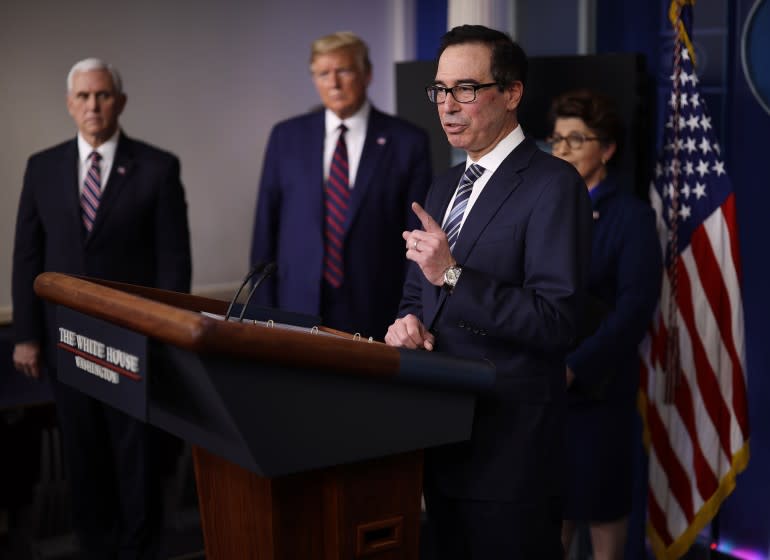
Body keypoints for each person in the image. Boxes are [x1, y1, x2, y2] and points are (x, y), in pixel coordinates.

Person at [384, 25, 592, 559]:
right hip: (442, 435)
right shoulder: (443, 184)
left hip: (510, 453)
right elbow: (419, 293)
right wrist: (406, 325)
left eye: (466, 89)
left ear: (512, 93)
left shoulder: (553, 183)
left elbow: (556, 321)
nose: (448, 106)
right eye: (440, 90)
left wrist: (454, 274)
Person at [12, 57, 192, 558]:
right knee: (82, 454)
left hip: (133, 342)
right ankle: (96, 548)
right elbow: (27, 254)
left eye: (103, 95)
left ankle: (138, 548)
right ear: (70, 105)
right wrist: (26, 334)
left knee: (135, 455)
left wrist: (167, 333)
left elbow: (173, 262)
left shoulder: (158, 167)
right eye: (84, 97)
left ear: (120, 101)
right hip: (64, 339)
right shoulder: (42, 167)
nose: (94, 105)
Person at [250, 31, 432, 339]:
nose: (333, 83)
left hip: (376, 308)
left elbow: (417, 235)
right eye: (323, 74)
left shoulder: (407, 141)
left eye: (343, 71)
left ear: (367, 74)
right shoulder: (286, 137)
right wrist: (261, 312)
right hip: (294, 306)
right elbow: (265, 229)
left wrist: (409, 313)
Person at [546, 89, 662, 560]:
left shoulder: (631, 217)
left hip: (598, 390)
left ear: (607, 149)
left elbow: (635, 308)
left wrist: (577, 366)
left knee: (601, 510)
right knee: (550, 513)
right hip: (543, 387)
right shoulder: (544, 206)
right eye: (556, 139)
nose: (564, 149)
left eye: (577, 139)